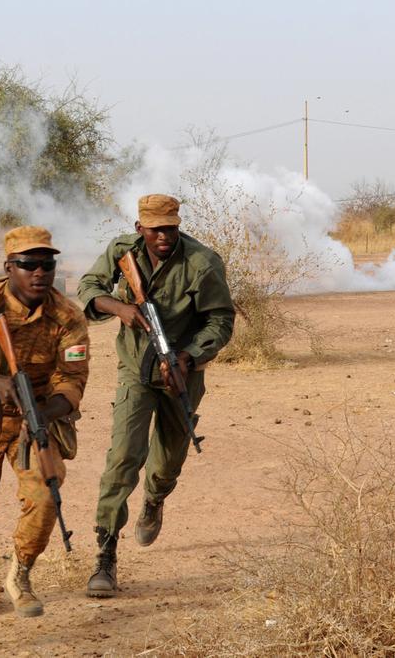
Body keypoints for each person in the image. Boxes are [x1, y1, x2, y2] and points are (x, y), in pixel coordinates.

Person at [75, 194, 234, 598]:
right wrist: (119, 308)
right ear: (139, 228)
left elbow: (220, 320)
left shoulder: (202, 262)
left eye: (171, 227)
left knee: (168, 459)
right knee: (124, 456)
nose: (164, 235)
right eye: (156, 228)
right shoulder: (122, 251)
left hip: (181, 373)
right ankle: (106, 554)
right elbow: (88, 287)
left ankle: (155, 498)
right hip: (135, 369)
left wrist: (188, 356)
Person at [0, 226, 90, 619]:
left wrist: (46, 412)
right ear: (9, 267)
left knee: (45, 497)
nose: (40, 272)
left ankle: (20, 573)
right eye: (28, 264)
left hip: (35, 418)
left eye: (47, 264)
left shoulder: (67, 317)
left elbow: (72, 379)